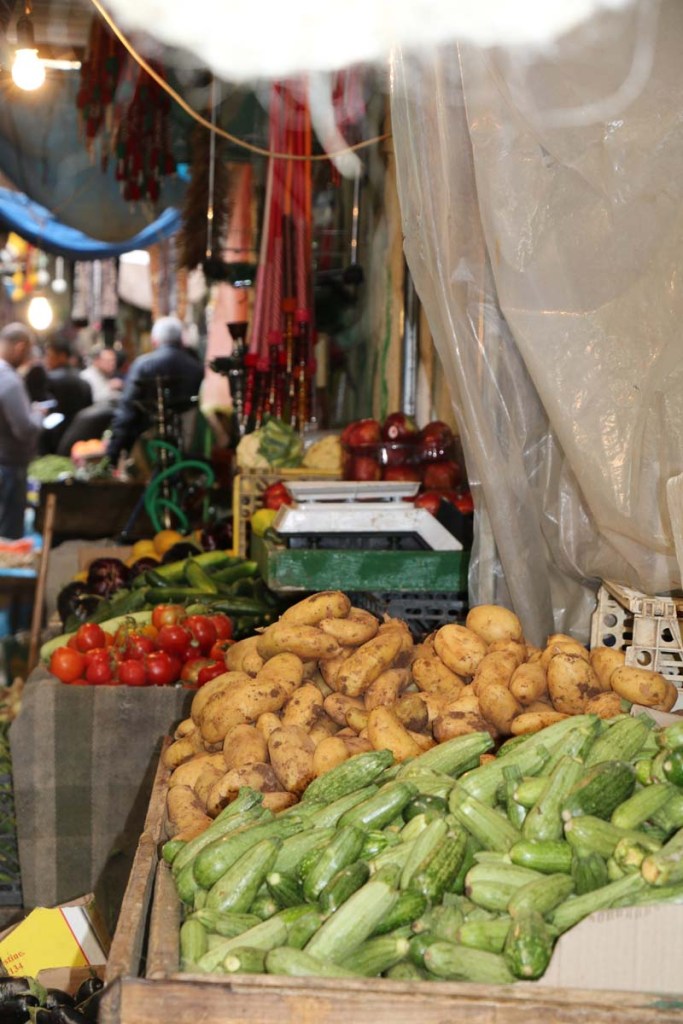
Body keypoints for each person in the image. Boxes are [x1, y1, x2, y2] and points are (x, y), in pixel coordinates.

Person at [106, 316, 204, 467]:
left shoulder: (143, 365)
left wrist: (113, 453)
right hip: (191, 448)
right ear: (181, 340)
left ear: (154, 341)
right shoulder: (196, 367)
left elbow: (127, 411)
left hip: (151, 448)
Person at [0, 323, 46, 538]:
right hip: (9, 467)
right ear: (20, 347)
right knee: (8, 540)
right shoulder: (9, 380)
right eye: (28, 351)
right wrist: (38, 415)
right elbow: (24, 429)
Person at [42, 334, 93, 455]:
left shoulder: (51, 379)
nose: (46, 360)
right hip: (82, 440)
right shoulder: (82, 379)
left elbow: (52, 413)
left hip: (56, 441)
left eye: (49, 355)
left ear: (62, 356)